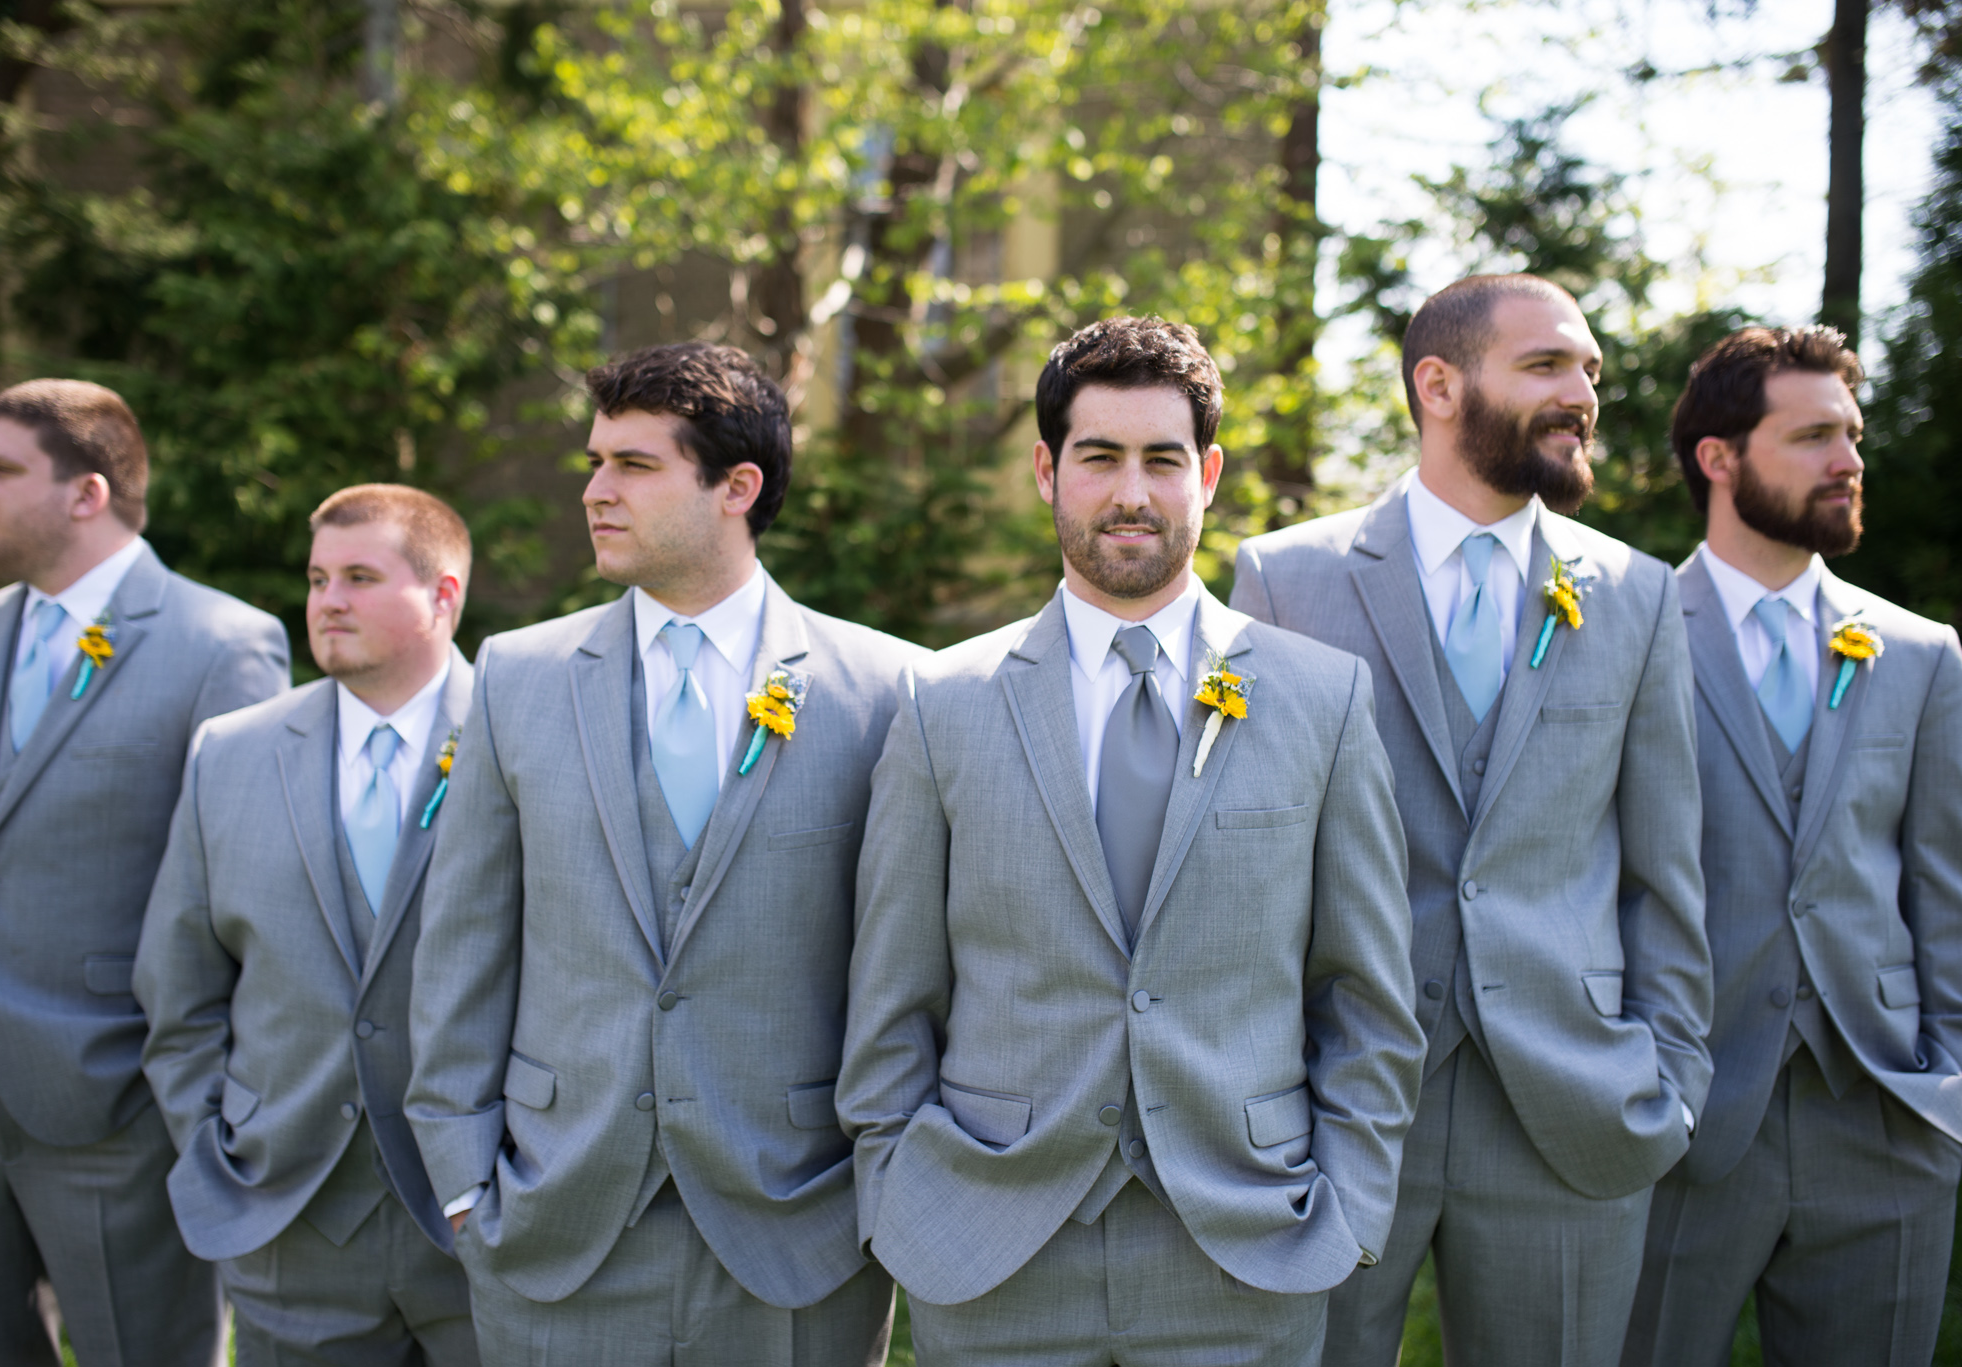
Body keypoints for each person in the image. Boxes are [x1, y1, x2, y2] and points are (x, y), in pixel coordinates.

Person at [838, 315, 1423, 1365]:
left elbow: (1367, 994)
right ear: (1044, 469)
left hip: (1245, 1245)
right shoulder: (944, 702)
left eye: (1161, 459)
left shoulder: (1319, 698)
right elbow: (891, 997)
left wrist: (1347, 1205)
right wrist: (900, 1194)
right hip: (992, 1246)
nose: (1130, 493)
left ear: (1204, 471)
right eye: (1098, 457)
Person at [404, 342, 921, 1366]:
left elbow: (908, 968)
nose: (596, 491)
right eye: (594, 462)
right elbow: (461, 948)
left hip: (799, 1233)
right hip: (554, 1225)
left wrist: (882, 1192)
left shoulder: (887, 688)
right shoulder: (518, 676)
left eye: (634, 466)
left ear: (738, 487)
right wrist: (466, 1182)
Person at [1232, 275, 1712, 1367]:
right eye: (1546, 365)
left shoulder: (1634, 595)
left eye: (1588, 369)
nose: (1582, 392)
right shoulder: (1287, 578)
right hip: (1335, 1095)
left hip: (1571, 1101)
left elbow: (1663, 871)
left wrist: (1666, 1078)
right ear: (1436, 385)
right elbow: (1250, 854)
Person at [0, 379, 290, 1364]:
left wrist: (210, 1094)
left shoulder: (224, 644)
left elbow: (246, 894)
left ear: (86, 493)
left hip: (118, 1094)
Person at [1622, 326, 1962, 1367]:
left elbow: (1943, 886)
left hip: (1882, 1113)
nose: (1848, 460)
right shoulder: (1625, 635)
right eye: (1813, 434)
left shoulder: (1919, 652)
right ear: (1718, 458)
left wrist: (1944, 1083)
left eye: (1850, 435)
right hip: (1678, 1120)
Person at [136, 485, 480, 1365]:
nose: (327, 600)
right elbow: (180, 990)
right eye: (319, 577)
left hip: (484, 1224)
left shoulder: (521, 742)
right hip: (288, 1218)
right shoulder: (231, 751)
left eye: (360, 577)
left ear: (444, 595)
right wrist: (221, 1147)